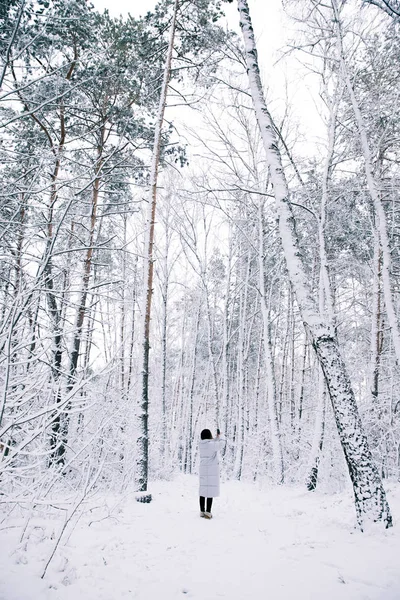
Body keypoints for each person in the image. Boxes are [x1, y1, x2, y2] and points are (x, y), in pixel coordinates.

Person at [198, 428, 226, 519]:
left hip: (203, 470)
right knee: (210, 491)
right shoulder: (211, 445)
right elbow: (221, 444)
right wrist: (221, 436)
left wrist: (216, 438)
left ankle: (202, 511)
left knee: (203, 490)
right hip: (211, 470)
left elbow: (212, 443)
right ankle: (208, 513)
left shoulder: (202, 444)